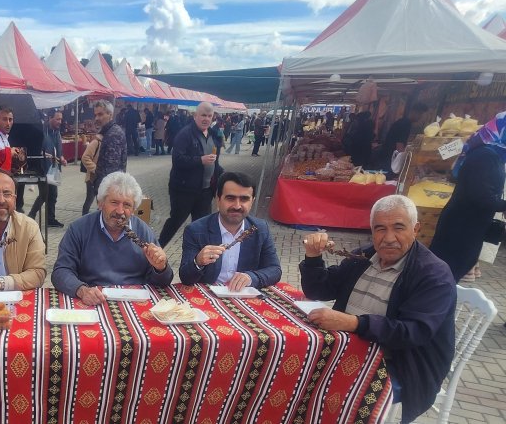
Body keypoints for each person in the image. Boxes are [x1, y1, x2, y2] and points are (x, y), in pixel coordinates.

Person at [300, 195, 456, 423]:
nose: (388, 238)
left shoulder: (433, 275)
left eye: (399, 228)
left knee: (341, 390)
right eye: (380, 229)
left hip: (403, 365)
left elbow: (413, 332)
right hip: (350, 348)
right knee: (295, 367)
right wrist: (313, 258)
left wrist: (354, 323)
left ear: (416, 229)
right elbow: (320, 291)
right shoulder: (365, 256)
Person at [53, 172, 172, 305]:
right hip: (92, 299)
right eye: (114, 202)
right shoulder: (79, 229)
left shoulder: (143, 231)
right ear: (101, 203)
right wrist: (81, 290)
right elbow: (61, 271)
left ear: (133, 210)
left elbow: (163, 282)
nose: (120, 211)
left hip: (134, 302)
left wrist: (161, 268)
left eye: (127, 205)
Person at [430, 112, 506, 282]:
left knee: (446, 275)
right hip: (460, 229)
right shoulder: (485, 156)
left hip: (468, 226)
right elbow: (480, 196)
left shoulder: (492, 154)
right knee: (442, 276)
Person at [178, 173, 281, 290]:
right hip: (208, 296)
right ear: (218, 199)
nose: (237, 206)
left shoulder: (260, 228)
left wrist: (251, 277)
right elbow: (185, 277)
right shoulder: (196, 230)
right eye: (230, 198)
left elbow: (274, 270)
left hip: (245, 296)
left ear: (252, 201)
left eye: (244, 199)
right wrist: (198, 262)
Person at [158, 102, 223, 247]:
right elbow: (178, 160)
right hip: (184, 190)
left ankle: (198, 256)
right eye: (203, 115)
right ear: (195, 116)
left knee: (202, 227)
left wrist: (221, 179)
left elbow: (216, 162)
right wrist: (200, 160)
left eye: (209, 116)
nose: (206, 119)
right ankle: (157, 248)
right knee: (175, 221)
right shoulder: (185, 134)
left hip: (205, 191)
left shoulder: (213, 135)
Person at [28, 110, 66, 227]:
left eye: (61, 119)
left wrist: (62, 157)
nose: (60, 121)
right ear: (50, 118)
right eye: (57, 119)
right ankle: (31, 215)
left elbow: (57, 148)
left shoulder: (57, 132)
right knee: (44, 194)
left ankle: (50, 219)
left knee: (53, 195)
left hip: (54, 167)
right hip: (43, 167)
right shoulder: (41, 131)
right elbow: (36, 148)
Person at [92, 100, 128, 193]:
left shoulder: (113, 134)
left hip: (109, 189)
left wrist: (104, 191)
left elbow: (111, 168)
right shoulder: (108, 132)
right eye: (95, 115)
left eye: (100, 114)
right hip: (107, 186)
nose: (96, 118)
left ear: (110, 115)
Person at [380, 103, 428, 168]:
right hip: (390, 160)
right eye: (420, 114)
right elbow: (399, 146)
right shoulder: (406, 124)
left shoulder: (403, 121)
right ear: (413, 111)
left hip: (387, 157)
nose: (420, 117)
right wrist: (405, 162)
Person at [80, 133, 103, 215]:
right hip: (93, 177)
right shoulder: (96, 142)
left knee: (101, 201)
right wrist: (96, 170)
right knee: (89, 199)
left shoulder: (108, 142)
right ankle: (84, 219)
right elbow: (85, 157)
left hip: (104, 177)